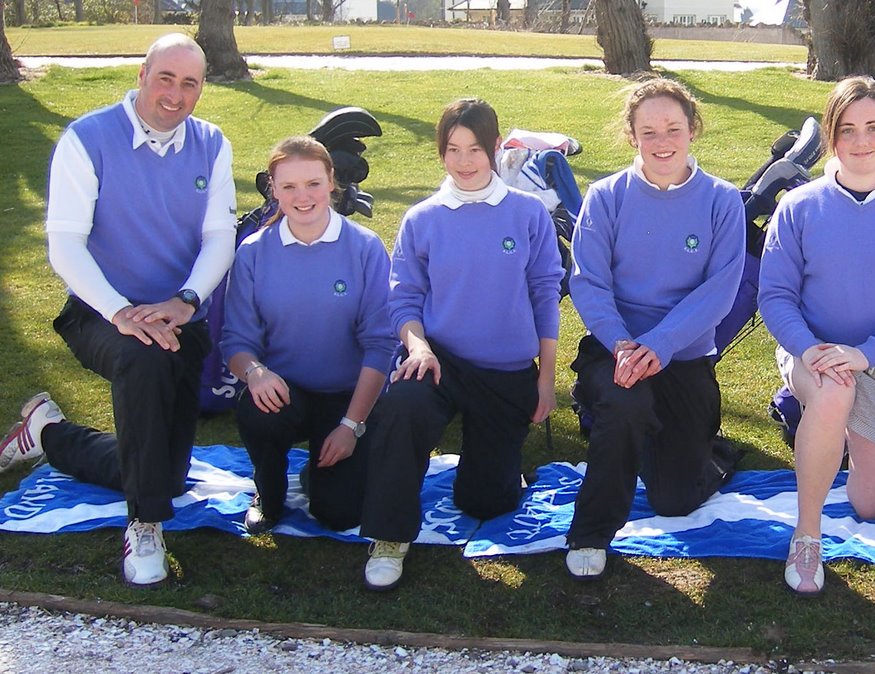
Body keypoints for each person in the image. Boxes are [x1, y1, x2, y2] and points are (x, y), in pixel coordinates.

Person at [0, 34, 236, 588]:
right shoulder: (87, 138)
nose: (175, 95)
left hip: (181, 317)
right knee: (143, 359)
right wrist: (120, 312)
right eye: (165, 78)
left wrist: (185, 301)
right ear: (141, 76)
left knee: (167, 475)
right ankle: (144, 524)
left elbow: (219, 237)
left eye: (190, 83)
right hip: (98, 312)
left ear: (202, 88)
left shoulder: (212, 143)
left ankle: (48, 434)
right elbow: (65, 245)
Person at [358, 98, 564, 591]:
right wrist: (418, 347)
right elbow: (403, 298)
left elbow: (545, 292)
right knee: (402, 407)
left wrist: (546, 379)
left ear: (495, 149)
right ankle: (389, 536)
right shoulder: (422, 218)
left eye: (475, 149)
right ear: (441, 152)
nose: (464, 161)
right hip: (439, 362)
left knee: (486, 502)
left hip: (506, 370)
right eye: (453, 149)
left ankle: (493, 474)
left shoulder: (529, 214)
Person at [757, 76, 875, 595]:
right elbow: (776, 296)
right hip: (814, 357)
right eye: (847, 129)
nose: (861, 141)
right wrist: (810, 349)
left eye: (873, 127)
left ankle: (832, 433)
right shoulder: (798, 207)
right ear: (831, 136)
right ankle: (807, 534)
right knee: (833, 391)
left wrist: (865, 355)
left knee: (872, 507)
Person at [564, 79, 747, 580]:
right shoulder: (606, 197)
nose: (662, 141)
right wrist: (623, 344)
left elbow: (719, 291)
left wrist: (661, 344)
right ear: (632, 136)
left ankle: (709, 451)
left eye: (673, 129)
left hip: (683, 356)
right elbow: (589, 282)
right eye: (648, 131)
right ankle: (590, 533)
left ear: (692, 129)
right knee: (626, 403)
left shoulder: (722, 200)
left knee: (674, 500)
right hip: (616, 351)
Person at [221, 136, 393, 535]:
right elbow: (236, 342)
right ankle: (268, 492)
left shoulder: (365, 247)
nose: (303, 197)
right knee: (257, 409)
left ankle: (320, 472)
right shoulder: (253, 252)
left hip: (347, 396)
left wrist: (351, 425)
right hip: (285, 393)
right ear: (273, 189)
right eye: (289, 186)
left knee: (341, 514)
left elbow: (381, 344)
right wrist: (255, 373)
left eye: (313, 183)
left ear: (331, 181)